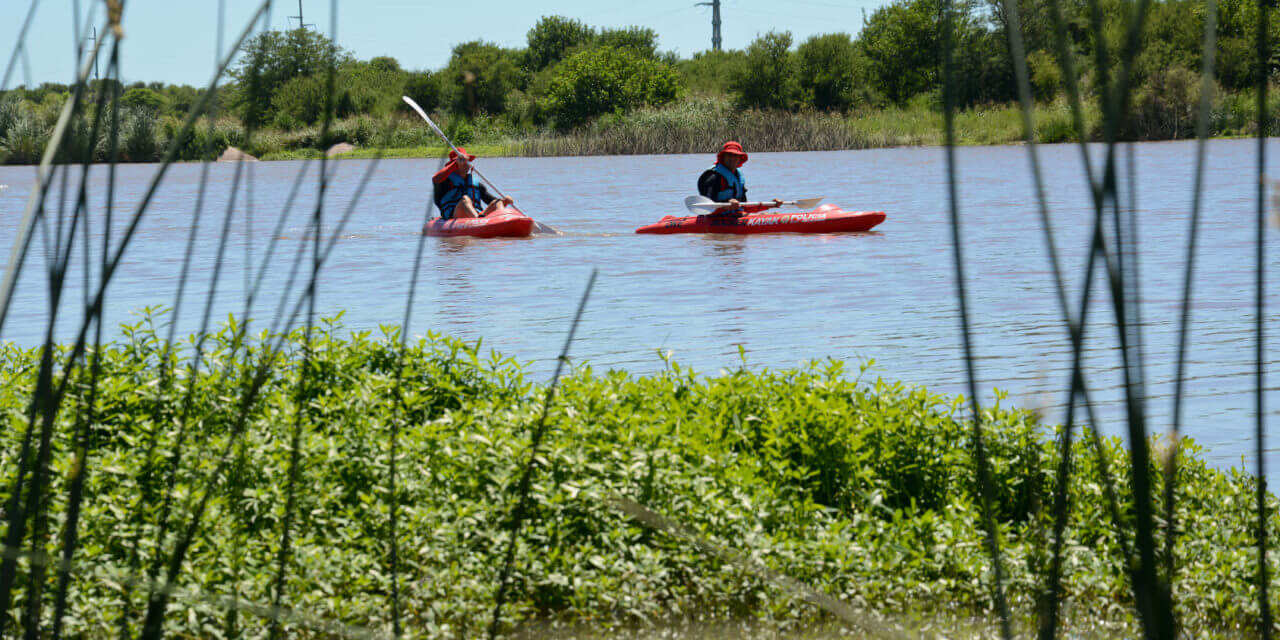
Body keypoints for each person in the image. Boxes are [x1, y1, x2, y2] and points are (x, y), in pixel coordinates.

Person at [696, 141, 781, 214]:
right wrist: (727, 204)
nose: (732, 158)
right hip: (716, 219)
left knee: (773, 214)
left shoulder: (738, 177)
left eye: (736, 156)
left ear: (740, 159)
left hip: (735, 217)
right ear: (723, 157)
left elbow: (744, 206)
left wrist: (770, 205)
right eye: (729, 155)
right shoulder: (713, 177)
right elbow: (707, 207)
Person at [432, 147, 513, 219]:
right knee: (465, 200)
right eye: (462, 161)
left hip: (477, 215)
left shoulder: (476, 184)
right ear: (454, 164)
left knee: (498, 202)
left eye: (467, 161)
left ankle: (504, 220)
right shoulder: (444, 182)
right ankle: (478, 221)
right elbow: (435, 179)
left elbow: (491, 200)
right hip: (453, 216)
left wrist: (505, 201)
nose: (466, 164)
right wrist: (455, 164)